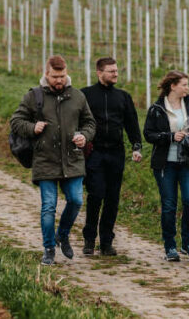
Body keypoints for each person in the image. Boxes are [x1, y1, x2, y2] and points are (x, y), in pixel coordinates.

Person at [10, 55, 95, 265]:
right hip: (45, 160)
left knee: (76, 200)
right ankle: (48, 248)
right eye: (55, 76)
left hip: (73, 160)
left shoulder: (77, 96)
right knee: (49, 206)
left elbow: (90, 122)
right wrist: (32, 128)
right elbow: (16, 121)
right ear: (46, 74)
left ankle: (62, 234)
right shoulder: (34, 96)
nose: (59, 80)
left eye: (62, 76)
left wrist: (85, 135)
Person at [143, 70, 189, 262]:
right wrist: (170, 137)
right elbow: (148, 134)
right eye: (184, 84)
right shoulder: (156, 109)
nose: (187, 88)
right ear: (173, 86)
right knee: (169, 205)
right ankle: (169, 246)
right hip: (166, 164)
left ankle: (188, 243)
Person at [81, 57, 142, 256]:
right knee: (96, 194)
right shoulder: (86, 95)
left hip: (116, 153)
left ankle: (106, 241)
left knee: (112, 199)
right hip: (94, 152)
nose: (115, 74)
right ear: (99, 73)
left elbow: (131, 123)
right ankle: (89, 238)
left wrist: (136, 146)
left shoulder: (123, 97)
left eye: (116, 71)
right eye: (111, 71)